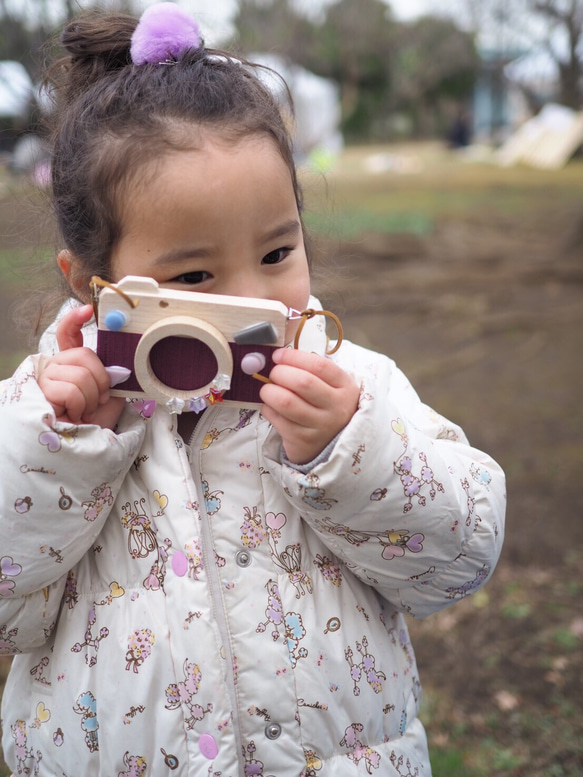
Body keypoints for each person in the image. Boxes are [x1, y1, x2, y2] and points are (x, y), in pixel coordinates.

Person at [0, 5, 506, 775]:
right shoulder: (46, 418)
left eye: (277, 251)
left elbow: (461, 559)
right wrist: (58, 447)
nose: (258, 301)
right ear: (90, 281)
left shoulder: (354, 391)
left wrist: (350, 450)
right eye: (195, 276)